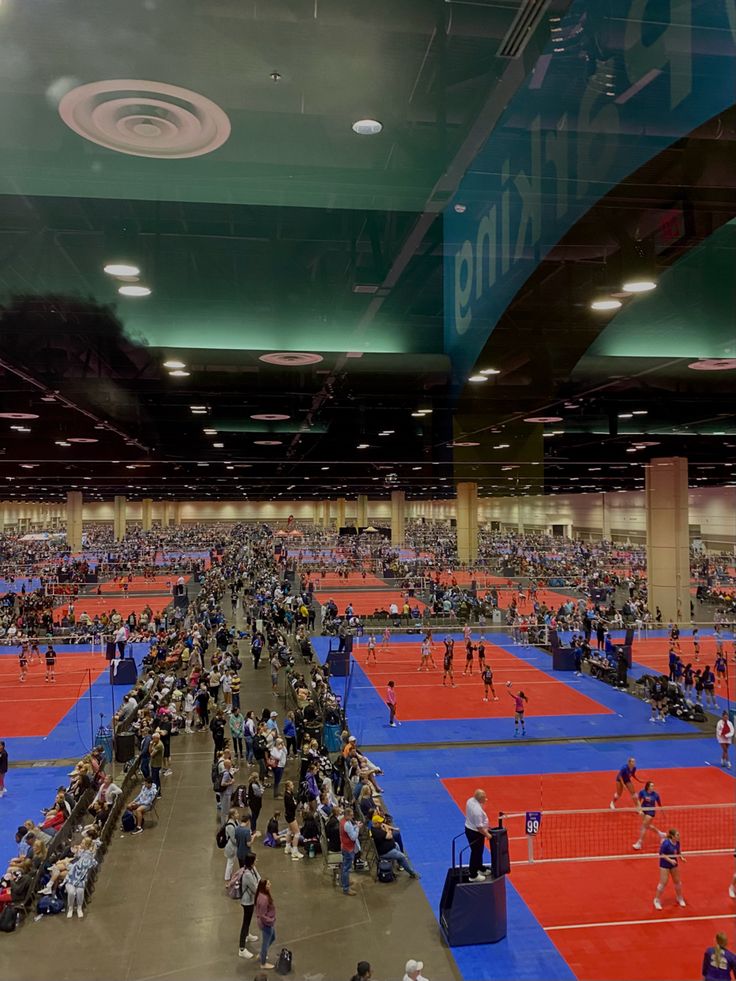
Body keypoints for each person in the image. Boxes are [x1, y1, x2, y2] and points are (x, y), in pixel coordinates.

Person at [464, 789, 492, 882]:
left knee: (479, 851)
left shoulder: (470, 800)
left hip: (469, 828)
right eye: (484, 798)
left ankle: (480, 867)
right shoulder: (477, 811)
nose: (486, 799)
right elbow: (479, 827)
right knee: (476, 852)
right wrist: (487, 835)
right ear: (480, 799)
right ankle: (473, 875)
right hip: (475, 832)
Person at [654, 828, 686, 909]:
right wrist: (670, 860)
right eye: (677, 835)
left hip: (673, 863)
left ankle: (679, 898)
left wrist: (681, 857)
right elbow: (661, 854)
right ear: (672, 836)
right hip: (664, 863)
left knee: (677, 881)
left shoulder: (677, 842)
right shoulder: (666, 843)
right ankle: (656, 900)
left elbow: (678, 851)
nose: (679, 836)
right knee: (663, 882)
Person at [64, 839, 97, 918]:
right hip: (75, 877)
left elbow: (76, 867)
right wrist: (77, 851)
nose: (80, 844)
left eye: (82, 843)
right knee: (72, 892)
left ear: (86, 845)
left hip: (77, 878)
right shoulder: (86, 852)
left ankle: (79, 908)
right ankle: (70, 908)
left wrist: (66, 864)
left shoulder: (87, 856)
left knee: (80, 891)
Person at [237, 854, 261, 960]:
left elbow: (259, 878)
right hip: (247, 902)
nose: (257, 861)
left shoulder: (252, 869)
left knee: (248, 920)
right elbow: (255, 888)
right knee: (245, 923)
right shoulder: (247, 874)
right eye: (255, 860)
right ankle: (241, 949)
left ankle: (247, 935)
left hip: (251, 900)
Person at [632, 781, 664, 850]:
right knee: (647, 826)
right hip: (644, 810)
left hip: (651, 812)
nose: (653, 787)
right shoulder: (642, 792)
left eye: (653, 786)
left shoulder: (656, 795)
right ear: (648, 787)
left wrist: (662, 812)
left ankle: (639, 843)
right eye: (651, 786)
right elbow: (638, 800)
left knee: (643, 826)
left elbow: (659, 803)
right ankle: (661, 834)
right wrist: (639, 809)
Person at [254, 878, 277, 970]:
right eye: (268, 884)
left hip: (268, 923)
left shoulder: (262, 895)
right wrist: (271, 920)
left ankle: (262, 954)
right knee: (265, 943)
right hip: (267, 924)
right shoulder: (264, 899)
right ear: (264, 887)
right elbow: (263, 915)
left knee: (273, 937)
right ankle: (263, 963)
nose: (270, 885)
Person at [339, 805, 361, 896]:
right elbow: (353, 837)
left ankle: (343, 881)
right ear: (347, 815)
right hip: (348, 848)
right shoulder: (347, 825)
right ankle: (346, 888)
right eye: (351, 815)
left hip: (344, 845)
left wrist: (355, 826)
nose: (352, 817)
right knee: (346, 868)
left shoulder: (342, 820)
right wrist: (358, 828)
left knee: (344, 866)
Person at [283, 780, 303, 860]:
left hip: (289, 815)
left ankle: (287, 847)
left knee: (290, 831)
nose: (293, 786)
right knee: (297, 833)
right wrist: (297, 802)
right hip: (290, 816)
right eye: (291, 785)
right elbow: (293, 806)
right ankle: (295, 851)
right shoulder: (287, 796)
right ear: (288, 787)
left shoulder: (290, 794)